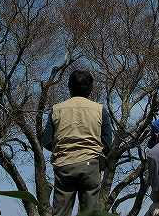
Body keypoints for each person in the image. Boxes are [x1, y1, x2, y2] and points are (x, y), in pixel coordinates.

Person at [42, 70, 113, 216]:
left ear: (69, 87)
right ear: (91, 88)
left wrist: (60, 150)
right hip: (90, 165)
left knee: (60, 213)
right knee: (89, 213)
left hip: (64, 166)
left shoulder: (57, 109)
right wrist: (98, 154)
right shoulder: (100, 110)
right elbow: (107, 141)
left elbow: (46, 140)